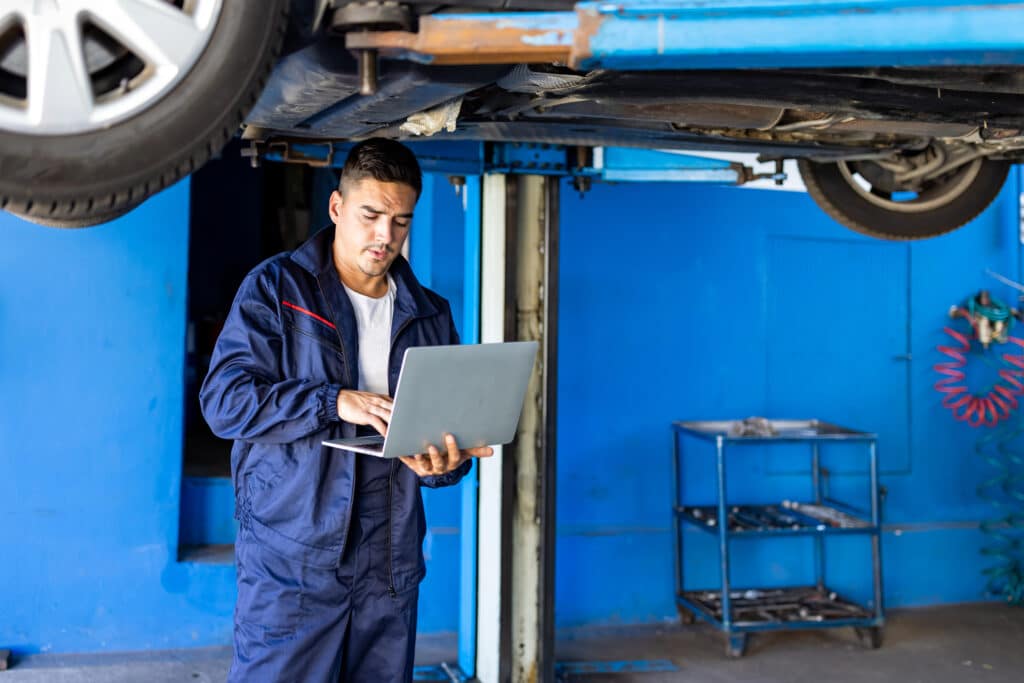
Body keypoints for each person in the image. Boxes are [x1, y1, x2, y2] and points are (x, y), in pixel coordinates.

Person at [199, 138, 492, 682]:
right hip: (294, 559)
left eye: (400, 221)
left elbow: (439, 436)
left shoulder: (430, 314)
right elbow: (225, 402)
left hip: (389, 561)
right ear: (336, 207)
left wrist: (443, 465)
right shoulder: (276, 289)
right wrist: (333, 400)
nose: (386, 236)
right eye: (371, 215)